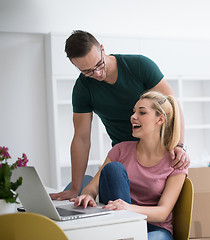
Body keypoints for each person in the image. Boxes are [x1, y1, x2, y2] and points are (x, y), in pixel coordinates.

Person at [50, 30, 189, 201]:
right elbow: (81, 138)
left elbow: (172, 106)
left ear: (102, 48)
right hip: (124, 158)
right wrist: (75, 188)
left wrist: (179, 145)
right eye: (87, 71)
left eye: (99, 65)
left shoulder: (139, 66)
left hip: (157, 154)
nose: (97, 74)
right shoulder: (83, 88)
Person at [71, 91, 187, 240]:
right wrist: (87, 195)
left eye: (142, 112)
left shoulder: (176, 161)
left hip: (155, 227)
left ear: (160, 119)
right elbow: (92, 187)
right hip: (119, 223)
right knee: (114, 168)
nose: (133, 117)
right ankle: (124, 232)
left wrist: (128, 208)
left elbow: (163, 212)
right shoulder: (120, 150)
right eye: (134, 112)